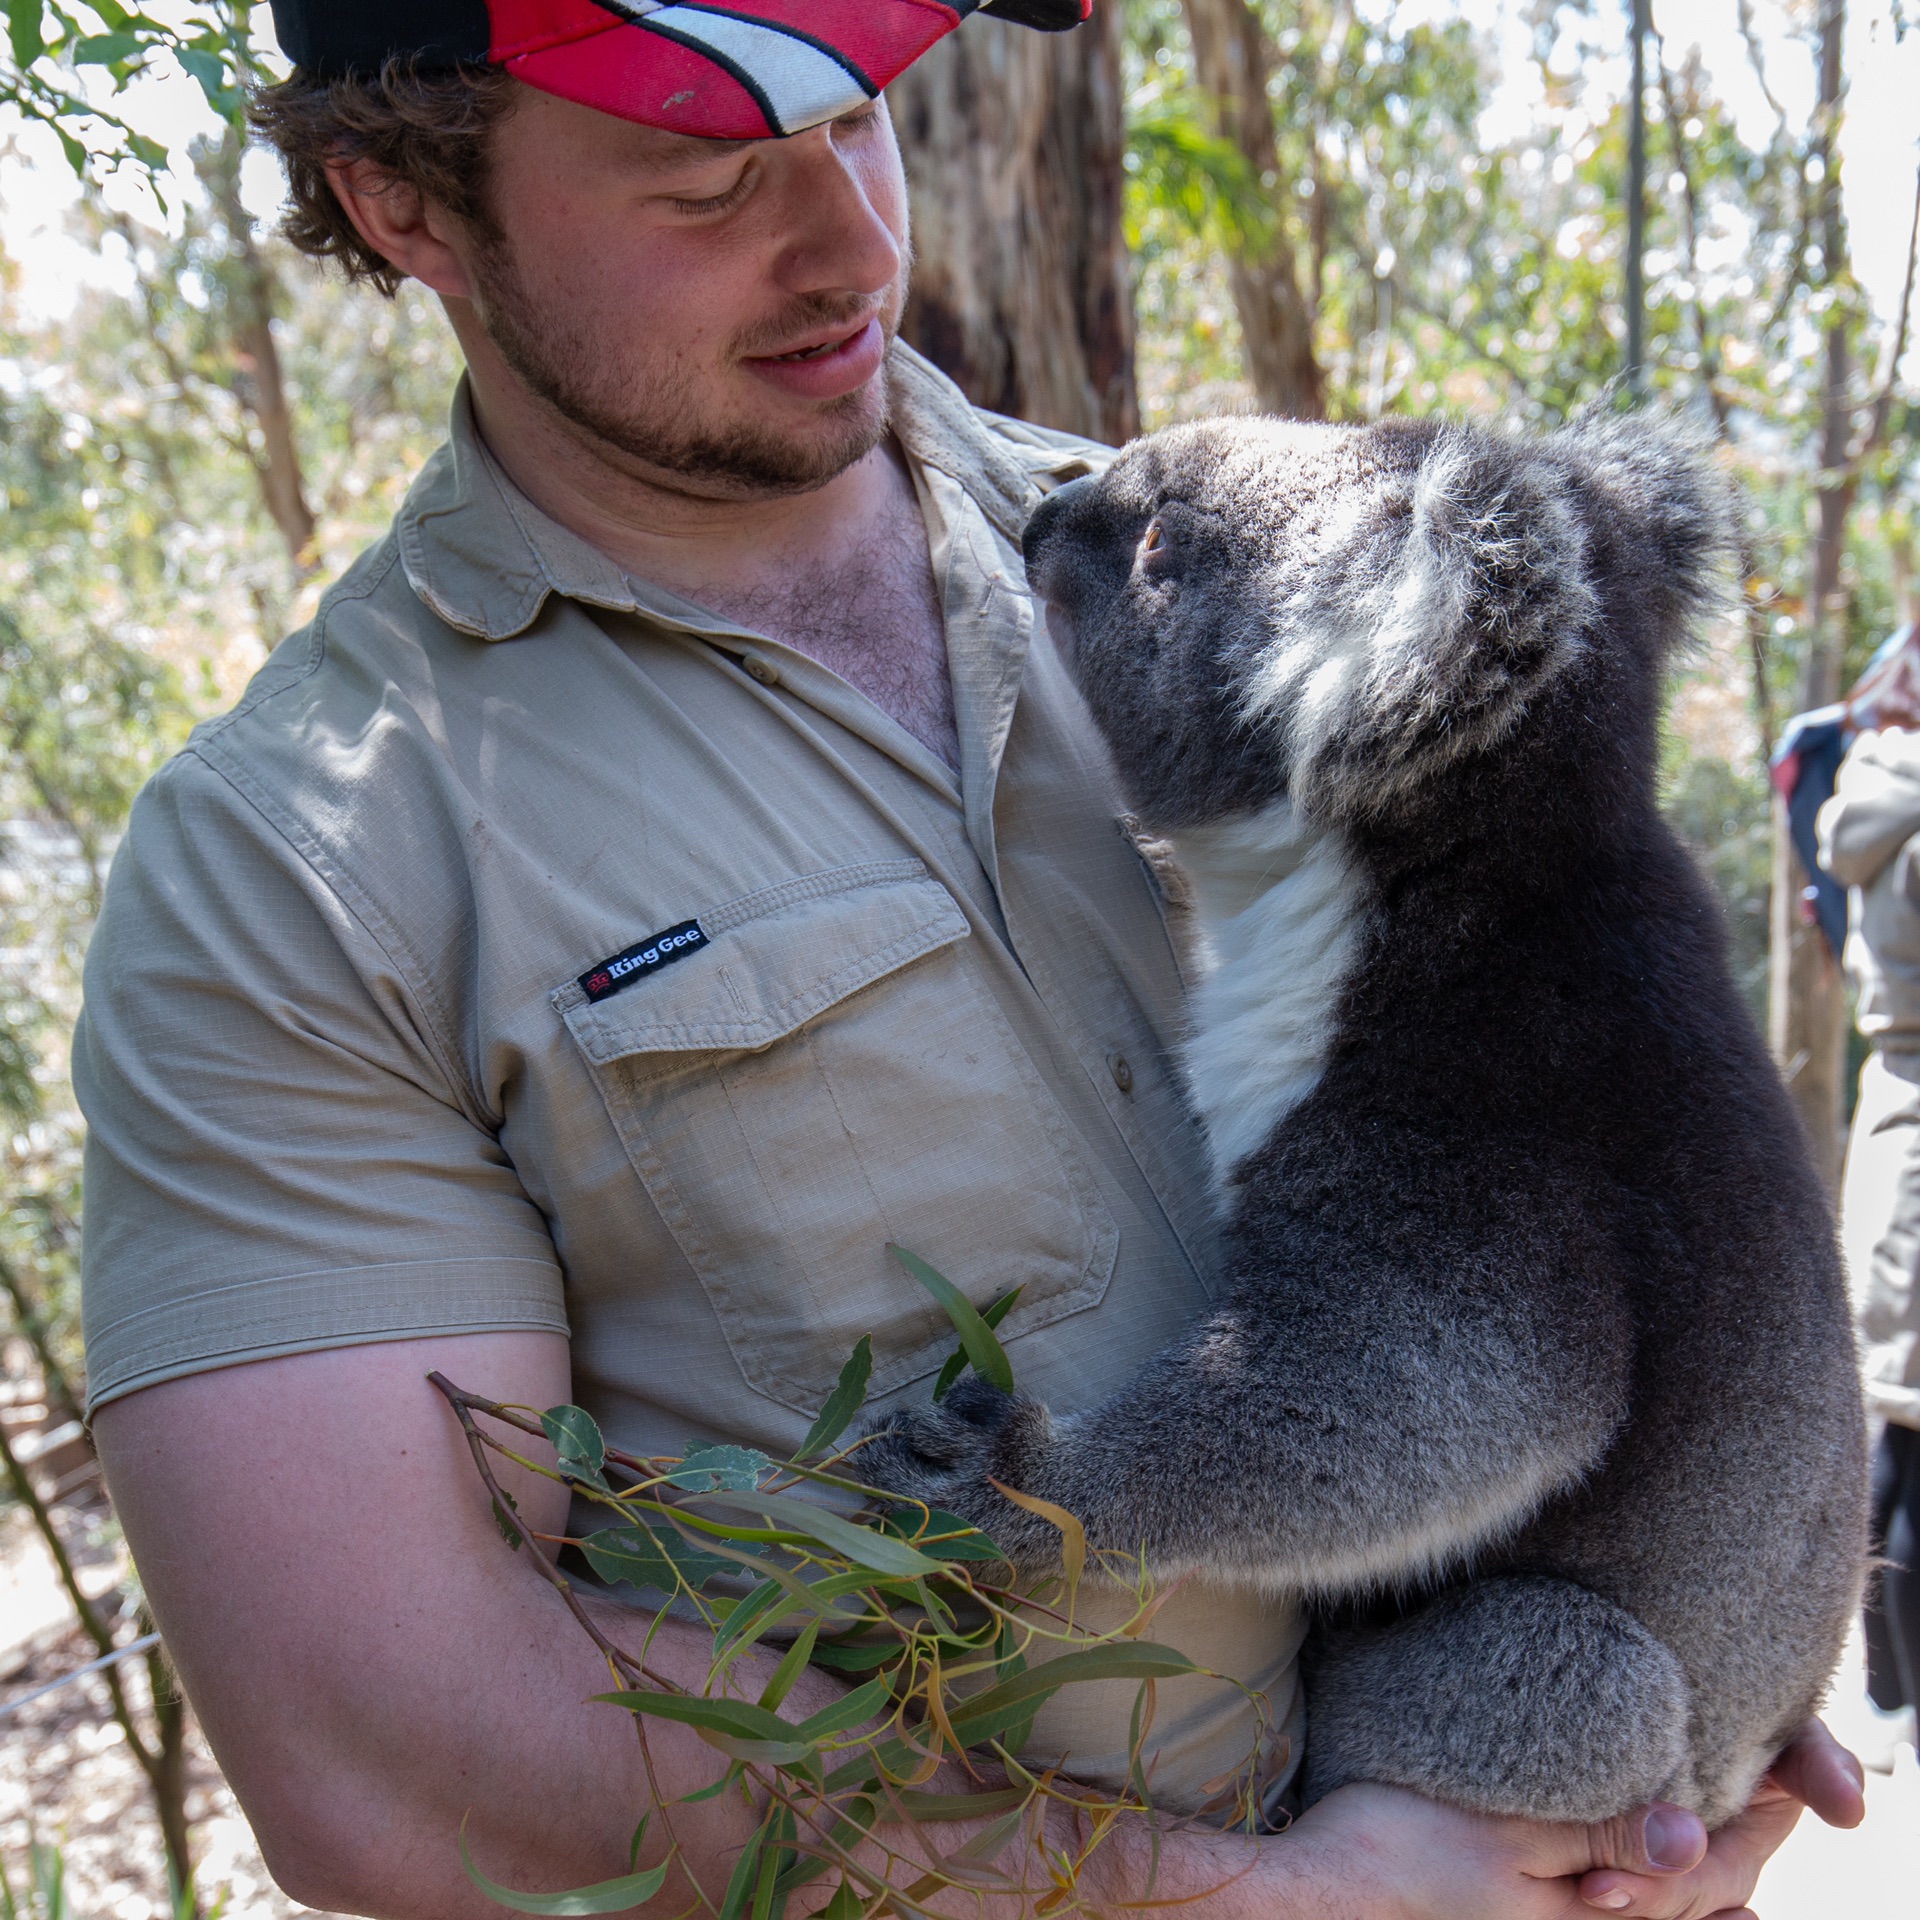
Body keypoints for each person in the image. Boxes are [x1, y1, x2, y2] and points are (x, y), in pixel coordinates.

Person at [78, 5, 1862, 1917]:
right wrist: (1275, 1907)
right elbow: (387, 1750)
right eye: (709, 178)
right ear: (401, 200)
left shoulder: (1221, 573)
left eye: (861, 120)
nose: (849, 240)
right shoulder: (303, 859)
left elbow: (1601, 1180)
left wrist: (1736, 1602)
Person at [1819, 625, 1920, 1770]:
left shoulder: (1873, 798)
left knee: (1900, 1414)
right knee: (1908, 1422)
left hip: (1896, 1112)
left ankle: (1891, 1691)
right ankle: (1894, 1699)